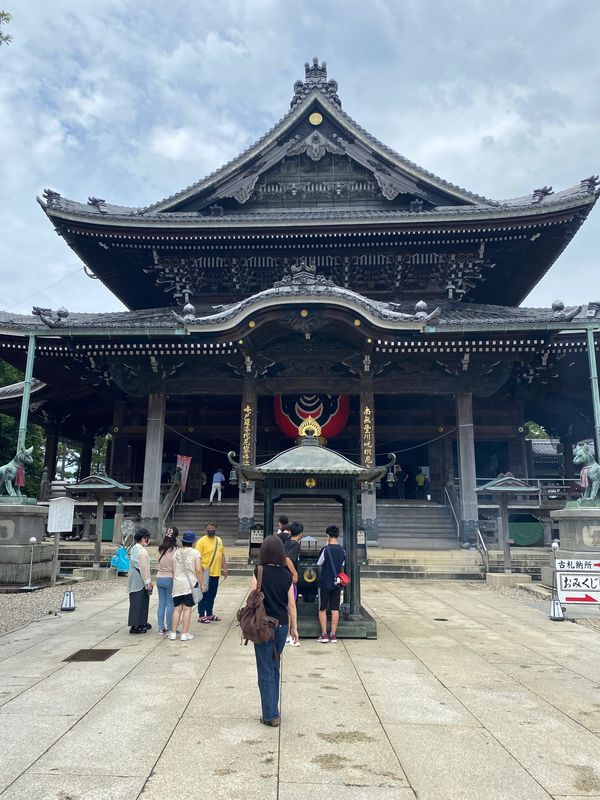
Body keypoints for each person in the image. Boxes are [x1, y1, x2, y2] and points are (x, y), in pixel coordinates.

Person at [249, 535, 298, 726]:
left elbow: (252, 596)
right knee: (275, 665)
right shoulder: (287, 575)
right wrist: (294, 627)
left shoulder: (259, 571)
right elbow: (291, 604)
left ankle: (270, 714)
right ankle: (273, 708)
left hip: (263, 624)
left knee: (265, 668)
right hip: (282, 625)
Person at [170, 530, 204, 642]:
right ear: (193, 542)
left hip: (177, 584)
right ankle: (185, 633)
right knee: (187, 609)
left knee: (176, 609)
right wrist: (202, 584)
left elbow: (173, 569)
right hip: (189, 585)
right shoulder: (195, 553)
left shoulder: (176, 553)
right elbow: (198, 570)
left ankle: (173, 633)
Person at [316, 525, 346, 644]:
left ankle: (324, 634)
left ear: (327, 536)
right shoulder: (342, 550)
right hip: (337, 583)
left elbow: (319, 563)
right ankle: (333, 634)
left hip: (325, 582)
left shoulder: (325, 549)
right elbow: (342, 565)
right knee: (335, 608)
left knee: (322, 608)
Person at [195, 522, 228, 623]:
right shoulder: (201, 542)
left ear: (216, 528)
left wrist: (225, 568)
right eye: (209, 528)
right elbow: (196, 557)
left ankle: (209, 613)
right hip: (205, 572)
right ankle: (201, 614)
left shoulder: (219, 540)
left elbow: (222, 554)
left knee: (212, 595)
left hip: (216, 572)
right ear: (206, 530)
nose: (211, 530)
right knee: (204, 594)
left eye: (213, 528)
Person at [127, 529, 152, 634]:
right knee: (139, 602)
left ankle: (141, 622)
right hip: (140, 579)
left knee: (138, 601)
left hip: (134, 578)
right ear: (143, 538)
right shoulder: (142, 551)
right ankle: (136, 625)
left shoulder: (134, 548)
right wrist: (148, 582)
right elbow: (144, 568)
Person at [156, 526, 178, 634]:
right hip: (170, 577)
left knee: (161, 604)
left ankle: (161, 628)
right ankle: (170, 628)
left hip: (159, 577)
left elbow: (157, 560)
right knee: (170, 604)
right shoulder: (175, 550)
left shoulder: (160, 548)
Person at [284, 521, 303, 647]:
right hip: (290, 579)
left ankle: (286, 634)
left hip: (282, 576)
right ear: (301, 534)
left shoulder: (286, 542)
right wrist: (295, 573)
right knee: (291, 606)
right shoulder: (295, 545)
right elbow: (288, 559)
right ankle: (288, 636)